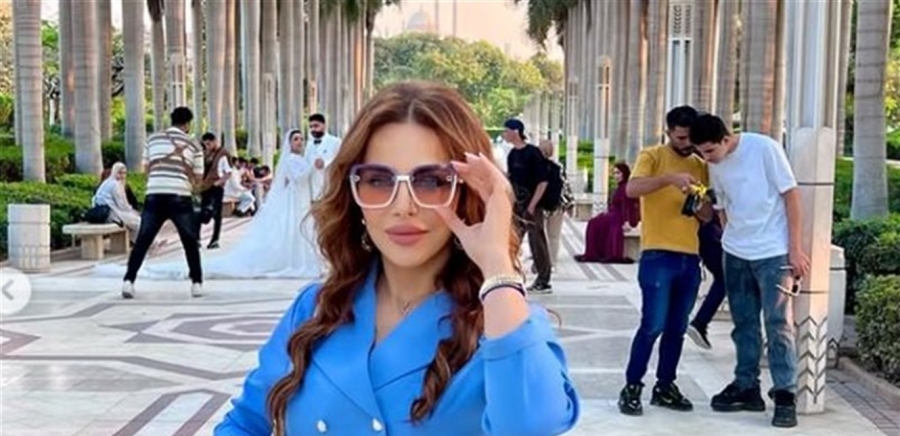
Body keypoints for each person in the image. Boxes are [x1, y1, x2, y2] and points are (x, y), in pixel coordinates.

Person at [214, 81, 579, 436]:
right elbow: (245, 422)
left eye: (431, 181)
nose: (403, 206)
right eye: (378, 180)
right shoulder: (315, 309)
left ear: (467, 191)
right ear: (353, 192)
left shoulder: (503, 323)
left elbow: (532, 425)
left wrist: (497, 266)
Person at [692, 113, 810, 428]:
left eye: (710, 151)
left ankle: (785, 395)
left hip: (773, 252)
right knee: (743, 324)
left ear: (725, 138)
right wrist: (728, 241)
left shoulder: (764, 148)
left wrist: (795, 249)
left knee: (778, 324)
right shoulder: (714, 164)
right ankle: (746, 386)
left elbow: (792, 196)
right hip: (735, 253)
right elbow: (722, 208)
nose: (707, 158)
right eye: (701, 153)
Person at [93, 129, 323, 280]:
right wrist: (314, 166)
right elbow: (299, 177)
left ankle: (211, 239)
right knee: (208, 216)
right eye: (295, 139)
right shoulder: (291, 160)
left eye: (301, 139)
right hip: (208, 190)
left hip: (293, 200)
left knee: (213, 217)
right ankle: (198, 253)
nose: (299, 142)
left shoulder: (297, 159)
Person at [618, 105, 711, 416]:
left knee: (677, 328)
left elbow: (708, 215)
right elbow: (632, 188)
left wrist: (697, 201)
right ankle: (632, 386)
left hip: (690, 257)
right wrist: (669, 179)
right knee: (652, 324)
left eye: (690, 138)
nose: (687, 143)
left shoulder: (700, 164)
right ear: (668, 132)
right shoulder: (652, 156)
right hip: (658, 255)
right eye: (681, 137)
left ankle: (665, 386)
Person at [121, 107, 204, 299]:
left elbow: (145, 168)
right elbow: (198, 177)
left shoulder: (153, 139)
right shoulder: (194, 145)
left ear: (171, 120)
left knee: (143, 240)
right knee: (189, 241)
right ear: (187, 124)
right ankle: (196, 283)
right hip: (180, 195)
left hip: (154, 194)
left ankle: (128, 281)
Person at [504, 118, 553, 293]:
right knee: (512, 240)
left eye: (507, 130)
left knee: (536, 241)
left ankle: (543, 279)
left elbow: (543, 181)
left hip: (533, 204)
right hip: (517, 204)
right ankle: (508, 274)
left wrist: (532, 205)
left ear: (516, 132)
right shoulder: (512, 154)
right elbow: (511, 179)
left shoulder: (533, 153)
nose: (504, 134)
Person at [574, 162, 641, 263]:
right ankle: (594, 253)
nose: (616, 176)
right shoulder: (620, 187)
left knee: (594, 223)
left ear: (625, 173)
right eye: (614, 173)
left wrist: (627, 222)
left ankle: (595, 254)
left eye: (618, 173)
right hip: (613, 215)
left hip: (619, 217)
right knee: (593, 222)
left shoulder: (626, 187)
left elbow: (627, 206)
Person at [687, 213, 726, 349]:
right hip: (712, 235)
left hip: (708, 235)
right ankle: (700, 322)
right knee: (725, 279)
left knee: (725, 279)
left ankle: (700, 322)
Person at [538, 140, 573, 268]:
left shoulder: (534, 167)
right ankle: (552, 263)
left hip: (540, 206)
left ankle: (541, 263)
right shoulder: (558, 167)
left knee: (540, 236)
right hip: (557, 206)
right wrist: (570, 204)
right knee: (554, 236)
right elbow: (566, 187)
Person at [92, 162, 141, 240]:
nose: (122, 176)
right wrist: (132, 210)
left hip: (105, 212)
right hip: (110, 214)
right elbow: (122, 205)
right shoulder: (115, 184)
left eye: (124, 173)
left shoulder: (107, 182)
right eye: (120, 173)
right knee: (139, 222)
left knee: (135, 220)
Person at [199, 132, 232, 249]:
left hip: (216, 187)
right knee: (201, 212)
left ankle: (215, 239)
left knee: (217, 214)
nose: (207, 146)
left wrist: (218, 183)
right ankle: (197, 238)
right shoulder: (205, 153)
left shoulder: (223, 154)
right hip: (204, 187)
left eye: (209, 144)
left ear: (214, 141)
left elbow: (228, 172)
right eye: (205, 144)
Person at [306, 113, 342, 201]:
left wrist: (325, 163)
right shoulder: (309, 144)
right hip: (313, 190)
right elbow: (306, 163)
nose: (313, 129)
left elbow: (341, 159)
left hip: (329, 186)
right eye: (311, 127)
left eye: (316, 126)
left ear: (324, 125)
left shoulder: (335, 142)